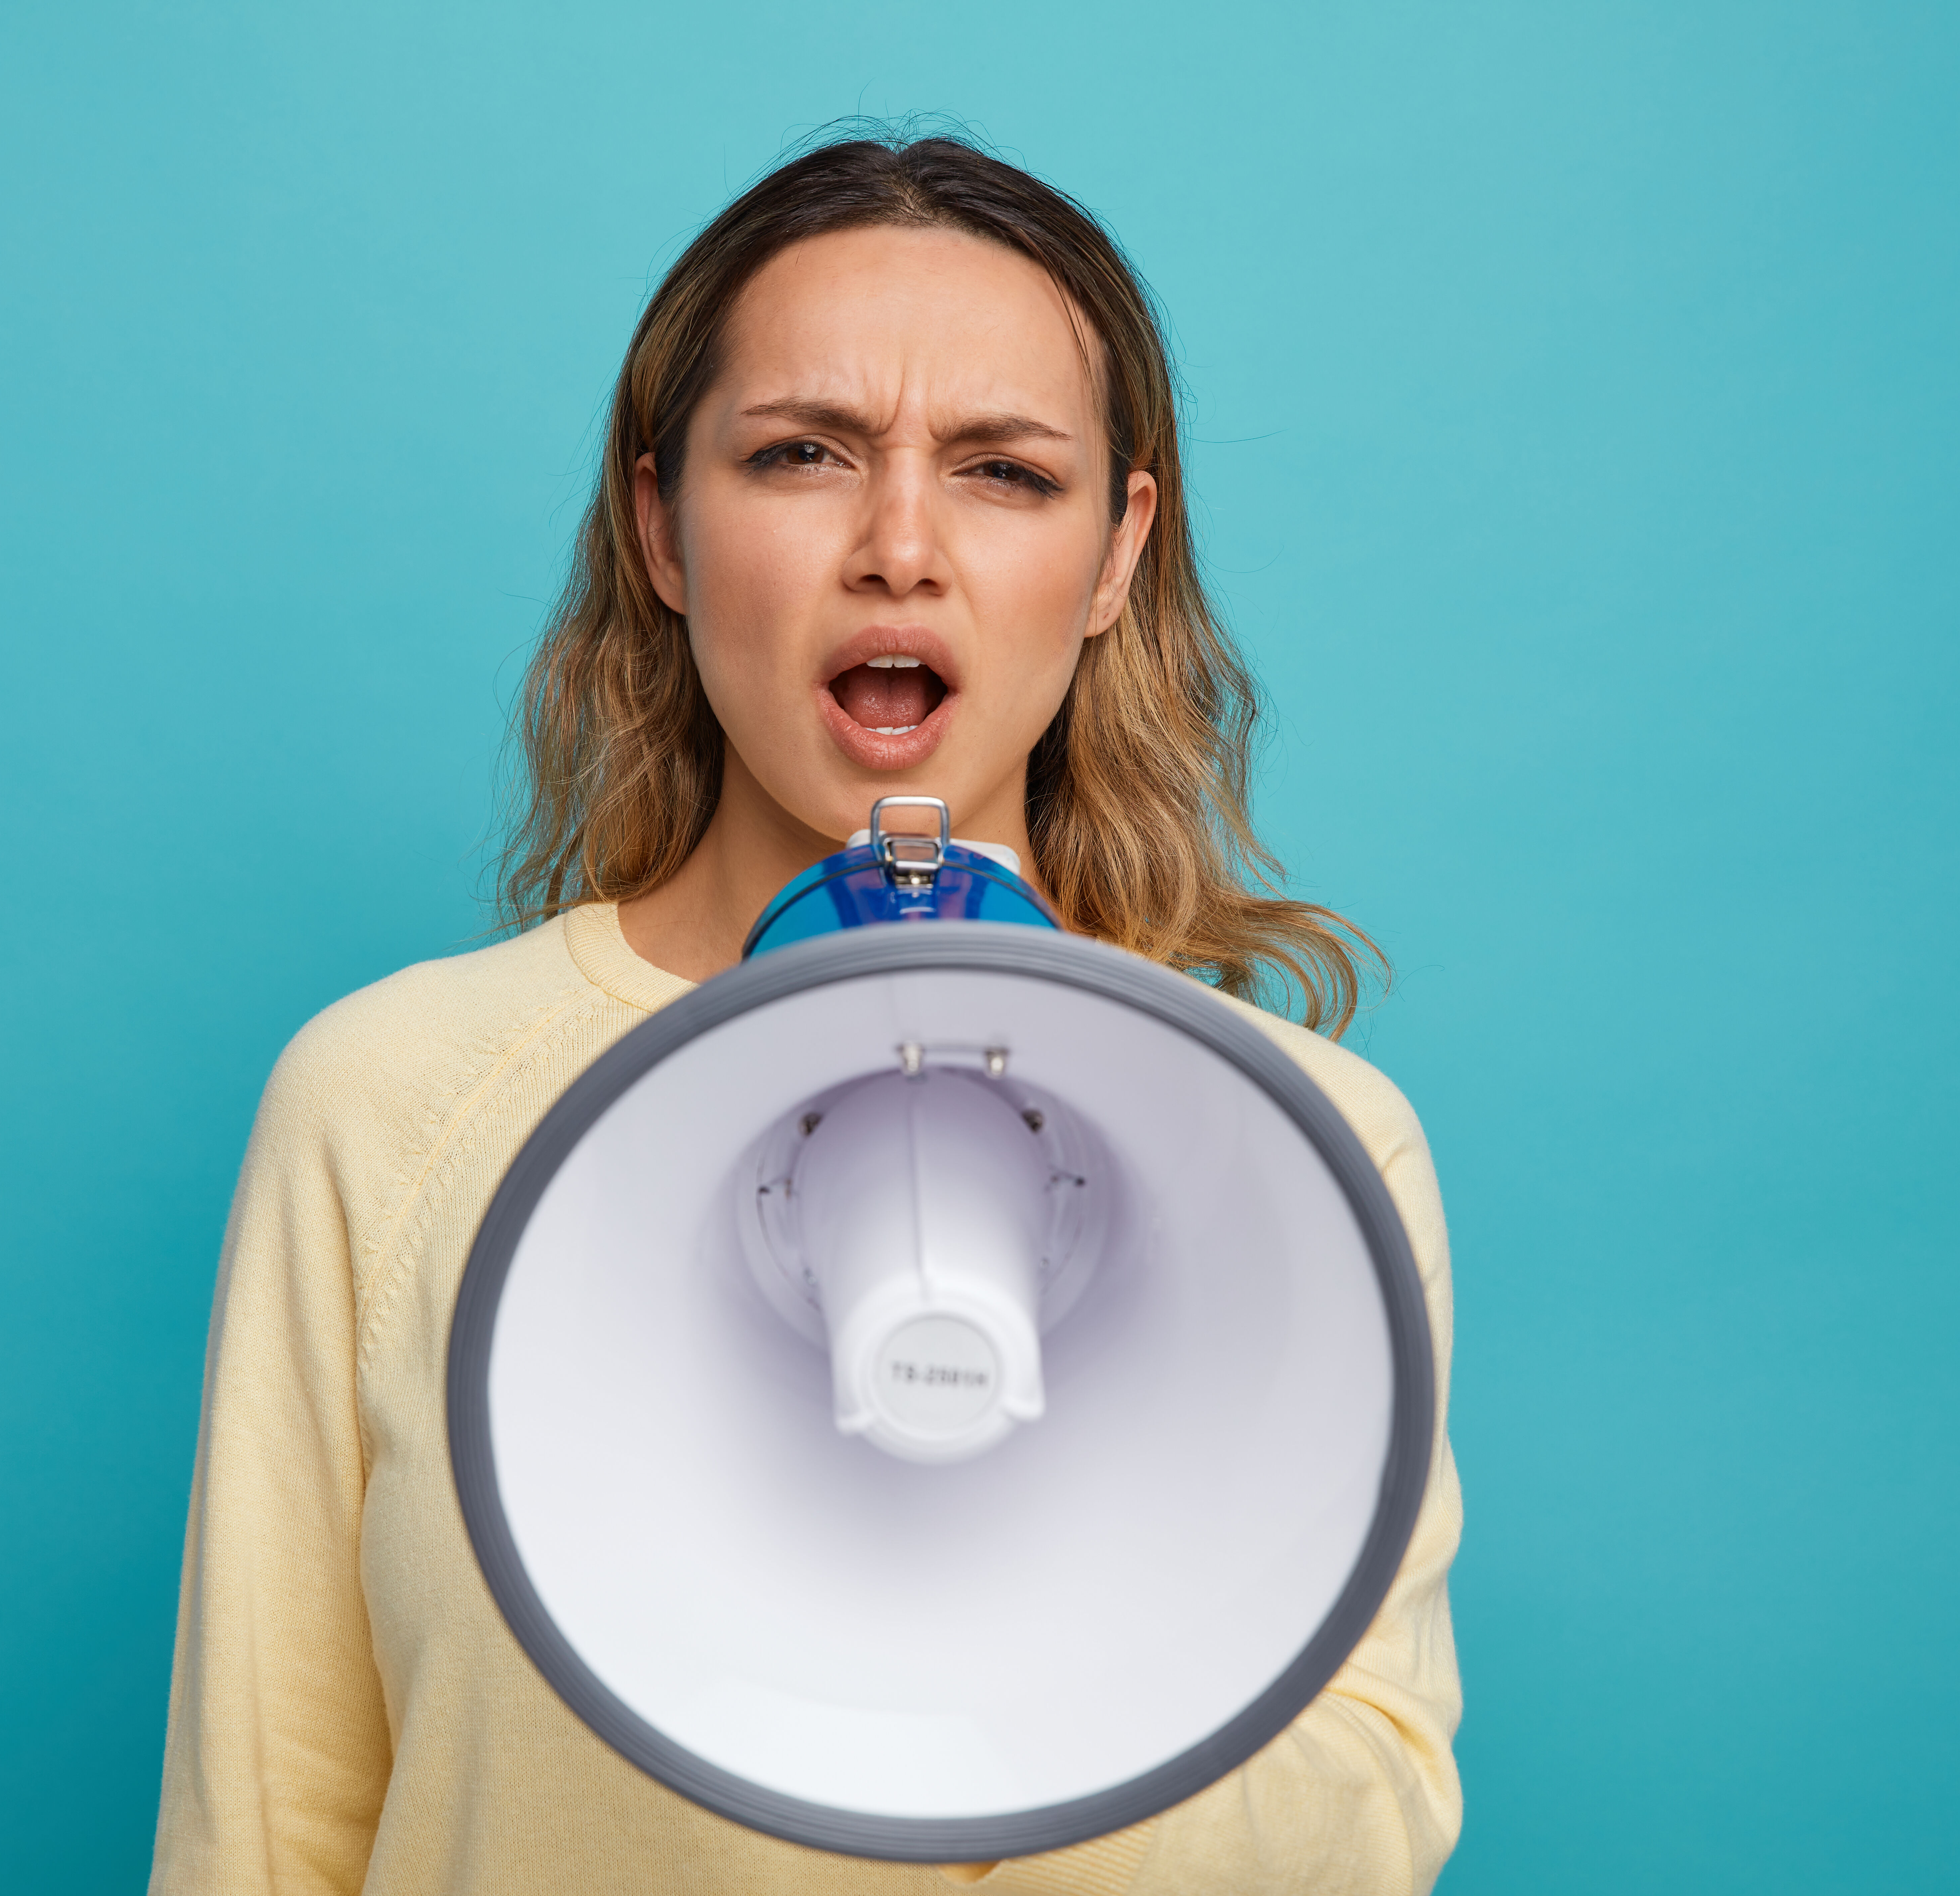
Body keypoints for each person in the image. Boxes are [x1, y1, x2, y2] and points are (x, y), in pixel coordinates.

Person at [148, 128, 1463, 1896]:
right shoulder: (390, 1104)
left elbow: (1358, 1842)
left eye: (1003, 472)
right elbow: (265, 1835)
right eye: (799, 457)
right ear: (660, 525)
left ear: (1112, 554)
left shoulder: (1297, 1151)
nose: (899, 548)